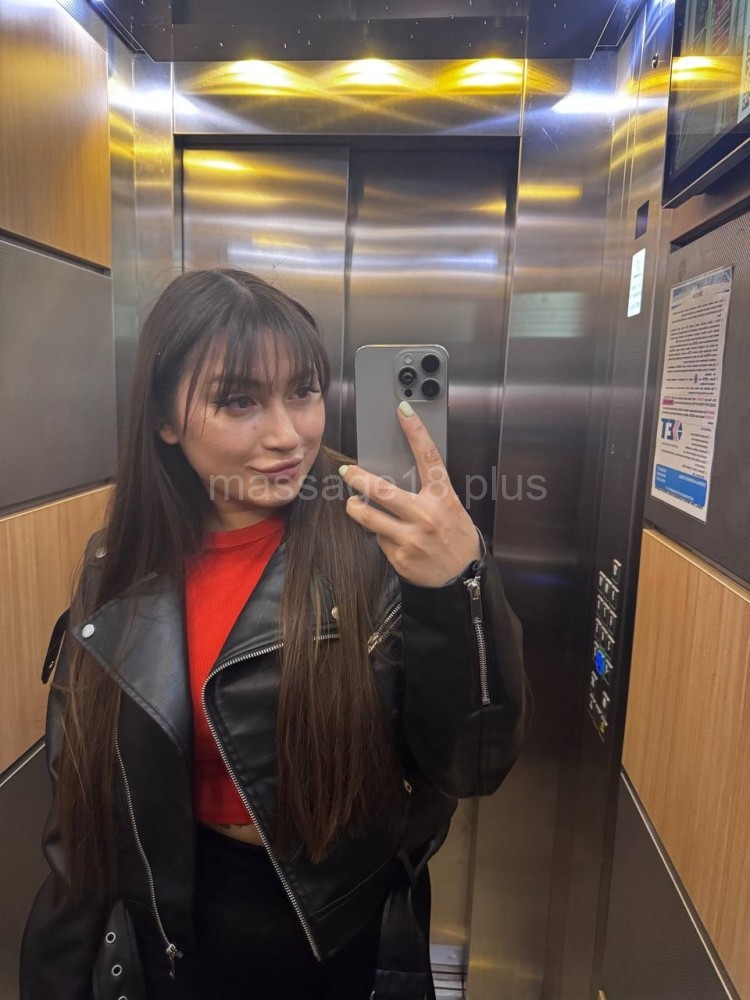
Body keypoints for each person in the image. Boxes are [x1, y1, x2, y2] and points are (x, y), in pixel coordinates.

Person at [20, 268, 528, 1000]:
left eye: (303, 391)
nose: (288, 435)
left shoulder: (382, 546)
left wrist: (459, 585)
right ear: (164, 418)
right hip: (168, 937)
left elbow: (473, 766)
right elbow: (82, 811)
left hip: (339, 939)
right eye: (239, 401)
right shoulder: (118, 564)